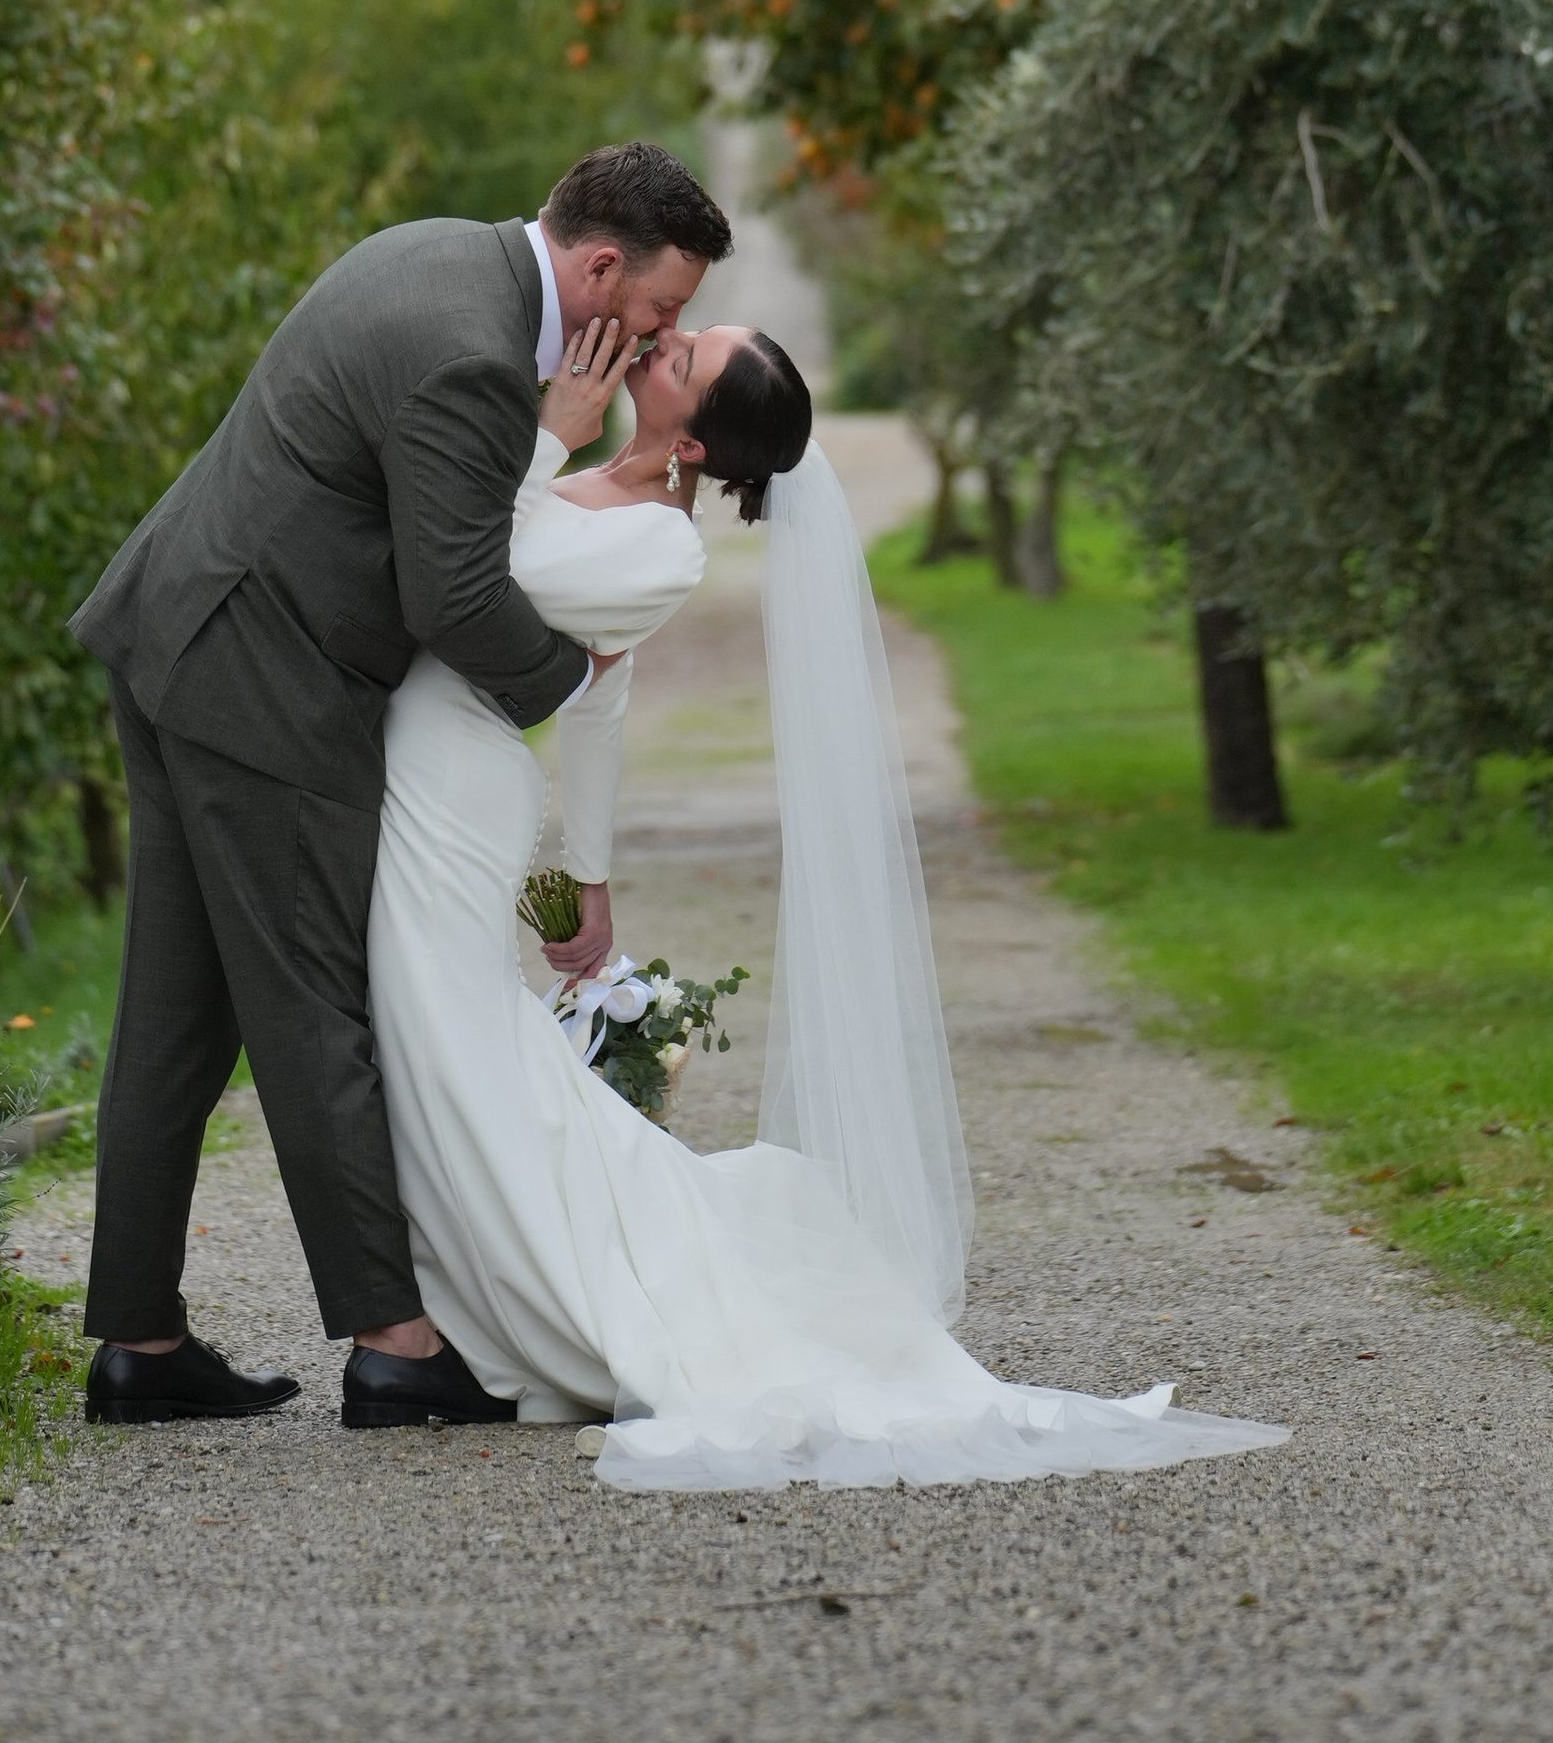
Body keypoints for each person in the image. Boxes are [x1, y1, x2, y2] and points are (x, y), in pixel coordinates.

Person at [367, 312, 1290, 1489]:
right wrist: (589, 880)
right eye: (687, 330)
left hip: (458, 794)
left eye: (686, 358)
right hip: (438, 776)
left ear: (695, 445)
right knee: (447, 1047)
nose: (664, 342)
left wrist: (542, 443)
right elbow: (580, 694)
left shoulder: (657, 545)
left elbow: (470, 581)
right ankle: (462, 1299)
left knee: (450, 1046)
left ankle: (477, 1315)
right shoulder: (603, 473)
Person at [72, 140, 731, 1427]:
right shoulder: (478, 360)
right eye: (661, 307)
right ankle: (394, 1345)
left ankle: (139, 1347)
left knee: (178, 1013)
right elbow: (460, 595)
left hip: (177, 632)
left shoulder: (440, 251)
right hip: (260, 682)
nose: (664, 330)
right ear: (601, 267)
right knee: (315, 1008)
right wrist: (574, 673)